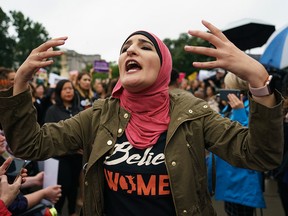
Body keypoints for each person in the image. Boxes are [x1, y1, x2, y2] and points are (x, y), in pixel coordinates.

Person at [0, 20, 284, 215]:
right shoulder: (99, 114)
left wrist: (259, 80)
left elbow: (260, 156)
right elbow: (30, 145)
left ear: (164, 66)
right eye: (125, 48)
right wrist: (21, 83)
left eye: (145, 47)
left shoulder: (191, 112)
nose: (131, 50)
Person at [207, 72, 266, 216]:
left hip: (242, 179)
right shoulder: (230, 108)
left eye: (227, 86)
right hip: (230, 177)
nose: (224, 89)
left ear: (235, 88)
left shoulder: (250, 107)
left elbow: (251, 139)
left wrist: (239, 111)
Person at [45, 79, 82, 216]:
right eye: (65, 89)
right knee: (62, 189)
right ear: (59, 92)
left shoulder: (79, 110)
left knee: (74, 188)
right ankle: (56, 212)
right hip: (60, 159)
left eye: (71, 88)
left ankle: (72, 212)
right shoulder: (52, 111)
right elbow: (50, 136)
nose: (68, 91)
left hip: (77, 158)